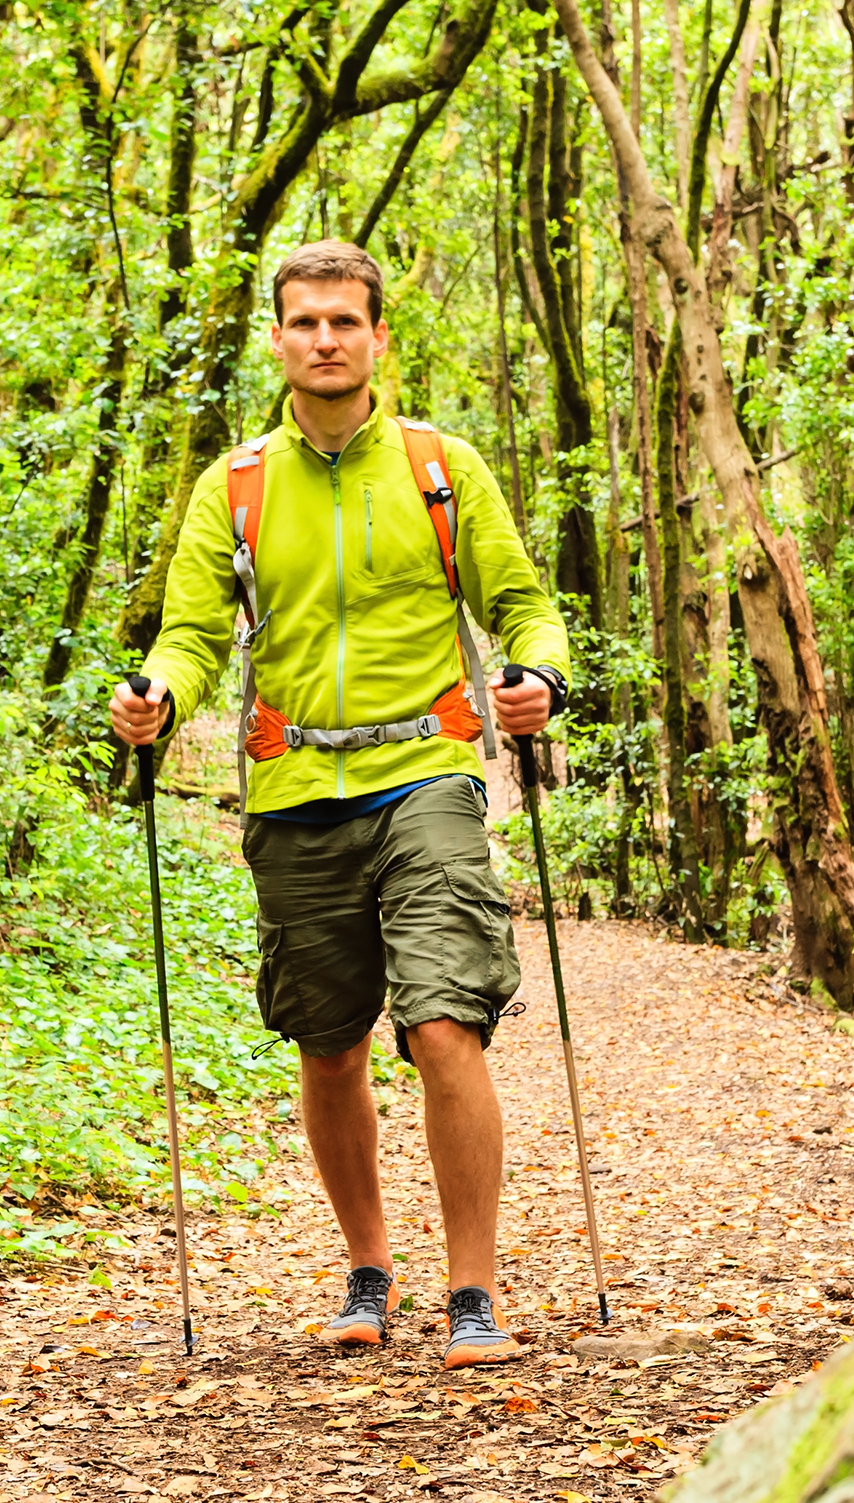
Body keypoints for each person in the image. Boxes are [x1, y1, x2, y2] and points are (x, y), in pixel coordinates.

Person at [113, 241, 569, 1372]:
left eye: (344, 322)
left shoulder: (438, 469)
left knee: (445, 1021)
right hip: (294, 786)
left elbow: (525, 605)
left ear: (378, 340)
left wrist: (538, 679)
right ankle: (369, 1270)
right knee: (328, 1042)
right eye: (305, 322)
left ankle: (474, 1293)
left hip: (428, 771)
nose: (325, 339)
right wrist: (159, 695)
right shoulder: (237, 485)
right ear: (277, 339)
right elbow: (192, 633)